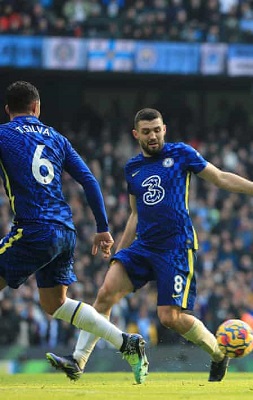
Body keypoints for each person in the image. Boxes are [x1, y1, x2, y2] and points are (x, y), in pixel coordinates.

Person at [46, 108, 253, 382]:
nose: (153, 136)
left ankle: (218, 355)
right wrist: (121, 252)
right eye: (147, 131)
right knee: (105, 294)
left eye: (157, 129)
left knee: (170, 317)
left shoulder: (181, 154)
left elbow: (220, 177)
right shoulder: (133, 168)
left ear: (165, 129)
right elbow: (135, 214)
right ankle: (78, 361)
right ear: (136, 134)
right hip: (143, 247)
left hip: (175, 248)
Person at [0, 81, 148, 383]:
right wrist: (102, 228)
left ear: (7, 110)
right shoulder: (56, 138)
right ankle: (127, 343)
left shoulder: (4, 135)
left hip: (34, 228)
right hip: (65, 232)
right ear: (36, 108)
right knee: (55, 304)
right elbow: (90, 180)